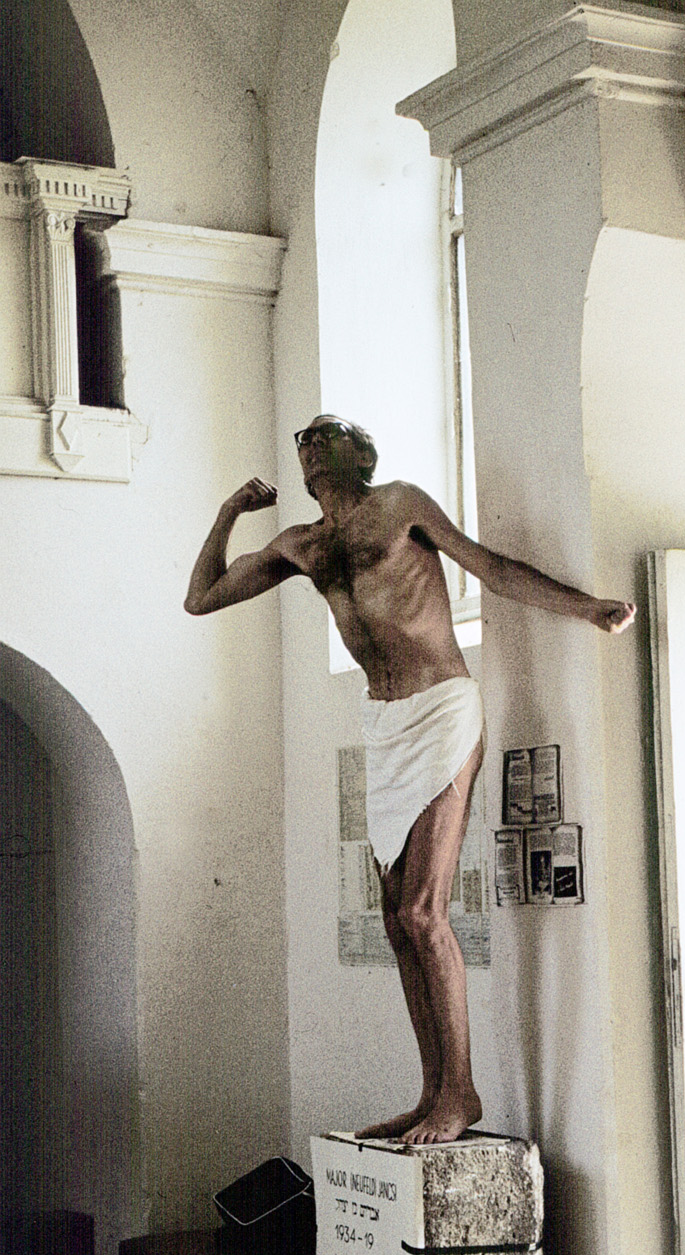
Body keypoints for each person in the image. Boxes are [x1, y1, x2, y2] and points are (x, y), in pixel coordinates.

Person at [185, 414, 635, 1143]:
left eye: (328, 433)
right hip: (384, 725)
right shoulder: (300, 544)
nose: (311, 443)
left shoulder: (400, 503)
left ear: (362, 452)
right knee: (397, 923)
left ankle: (462, 1092)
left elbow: (490, 567)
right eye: (304, 438)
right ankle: (432, 1091)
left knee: (425, 911)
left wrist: (587, 609)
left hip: (441, 709)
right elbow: (201, 597)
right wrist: (230, 510)